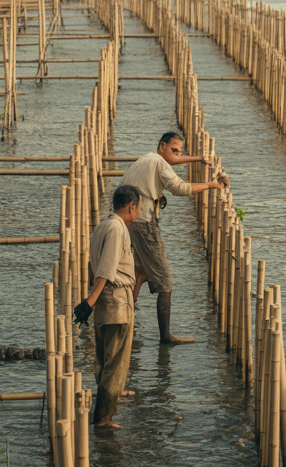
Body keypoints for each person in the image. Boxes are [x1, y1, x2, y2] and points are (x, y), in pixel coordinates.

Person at [123, 131, 229, 344]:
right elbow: (179, 188)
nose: (177, 155)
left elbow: (173, 160)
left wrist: (198, 159)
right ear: (162, 146)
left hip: (128, 222)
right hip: (144, 224)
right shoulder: (159, 163)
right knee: (165, 282)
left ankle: (125, 322)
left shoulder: (145, 160)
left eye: (180, 152)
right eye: (174, 150)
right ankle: (165, 337)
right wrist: (211, 185)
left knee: (140, 273)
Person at [73, 184, 142, 429]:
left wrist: (92, 302)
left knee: (104, 360)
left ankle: (106, 410)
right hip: (116, 303)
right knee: (116, 364)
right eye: (138, 208)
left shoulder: (103, 225)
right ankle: (102, 418)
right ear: (131, 206)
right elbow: (106, 270)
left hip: (106, 303)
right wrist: (89, 302)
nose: (138, 213)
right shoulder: (116, 228)